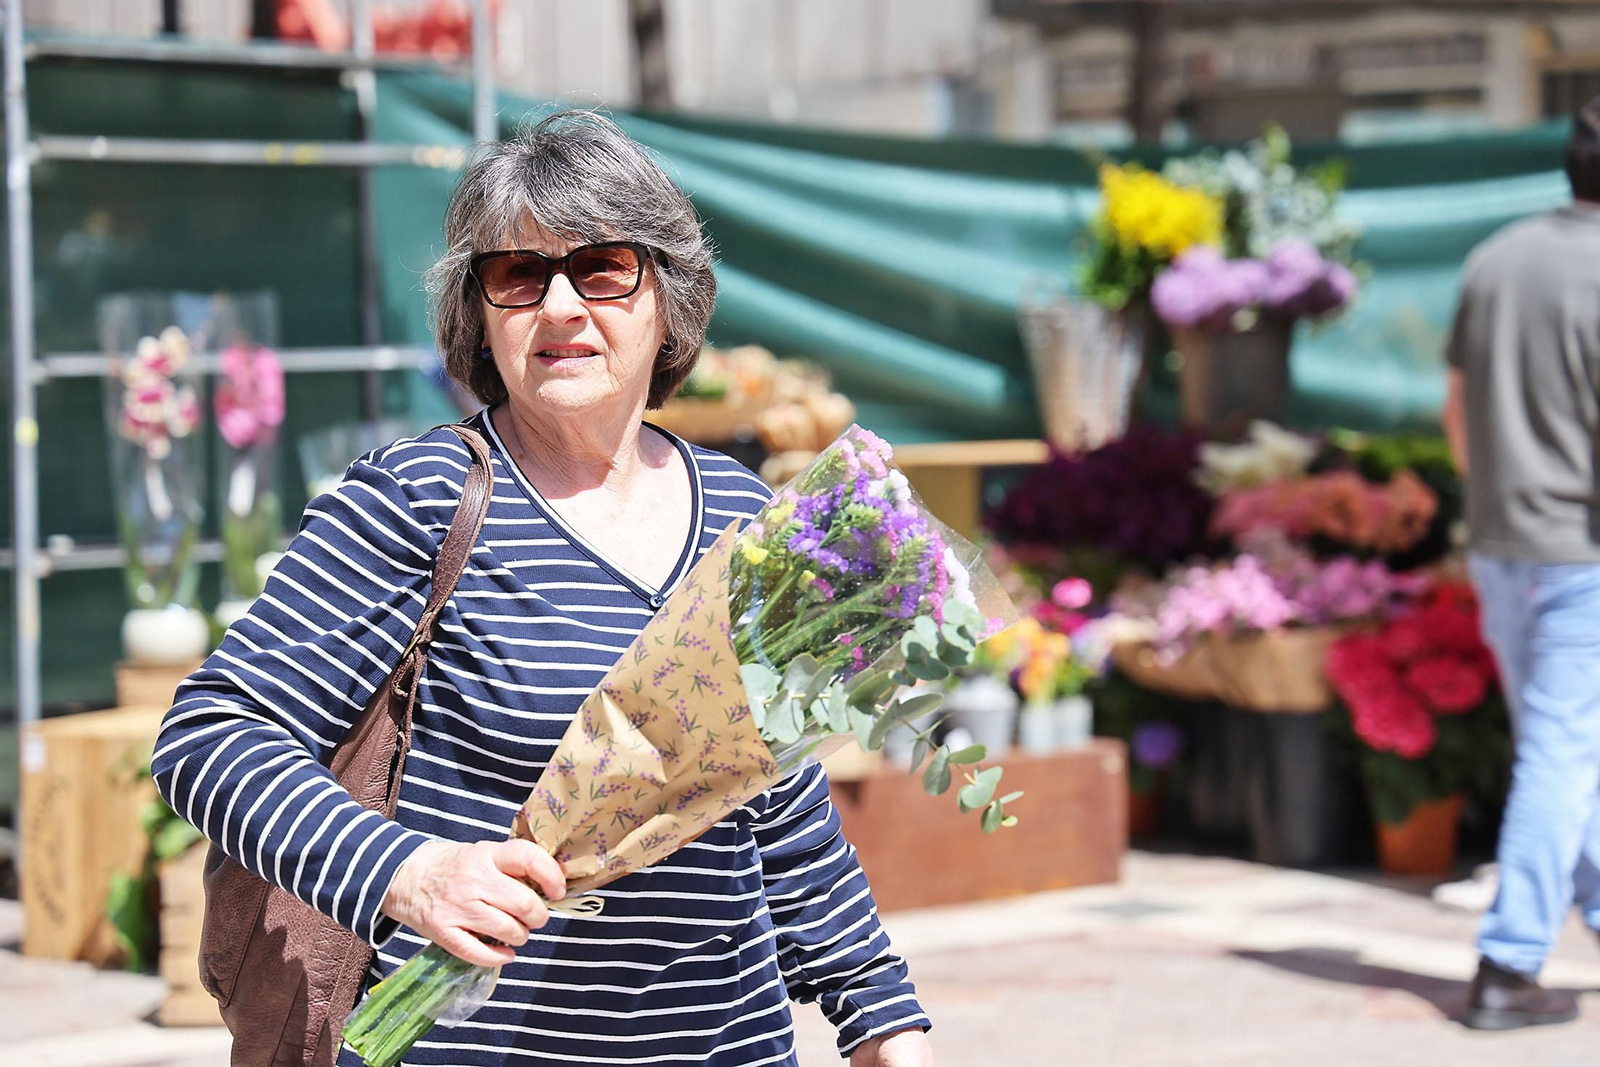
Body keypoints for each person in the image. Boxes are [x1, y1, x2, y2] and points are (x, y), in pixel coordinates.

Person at [152, 110, 933, 1067]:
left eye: (603, 267)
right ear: (479, 313)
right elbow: (211, 736)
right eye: (518, 276)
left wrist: (882, 1025)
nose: (561, 306)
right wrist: (408, 873)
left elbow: (786, 816)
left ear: (669, 299)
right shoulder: (420, 499)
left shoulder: (744, 516)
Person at [1441, 96, 1600, 1032]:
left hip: (1503, 543)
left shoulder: (1496, 258)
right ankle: (1508, 962)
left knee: (1569, 745)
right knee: (1563, 747)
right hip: (1580, 550)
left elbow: (1458, 410)